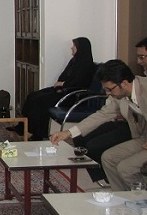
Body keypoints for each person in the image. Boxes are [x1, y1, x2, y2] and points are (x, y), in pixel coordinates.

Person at [50, 59, 147, 191]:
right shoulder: (120, 96)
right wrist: (68, 132)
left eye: (109, 89)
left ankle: (140, 198)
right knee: (108, 158)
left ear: (124, 83)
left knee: (126, 168)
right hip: (142, 138)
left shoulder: (144, 88)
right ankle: (121, 195)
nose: (107, 93)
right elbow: (102, 115)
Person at [9, 37, 94, 140]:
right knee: (32, 96)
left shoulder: (86, 64)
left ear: (80, 48)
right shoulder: (74, 61)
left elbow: (78, 83)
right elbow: (63, 76)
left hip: (72, 96)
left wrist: (63, 84)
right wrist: (60, 83)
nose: (72, 48)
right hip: (63, 90)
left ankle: (39, 134)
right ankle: (22, 127)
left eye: (74, 46)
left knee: (42, 102)